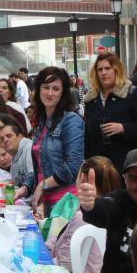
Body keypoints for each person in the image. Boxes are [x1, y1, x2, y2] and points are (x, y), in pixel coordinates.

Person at [45, 157, 120, 273]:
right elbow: (63, 237)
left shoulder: (85, 216)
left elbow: (64, 265)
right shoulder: (108, 208)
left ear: (84, 178)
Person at [83, 53, 137, 170]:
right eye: (99, 69)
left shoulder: (132, 94)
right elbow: (88, 136)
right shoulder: (90, 100)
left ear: (116, 70)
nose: (103, 73)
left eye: (107, 68)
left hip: (130, 166)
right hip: (101, 169)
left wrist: (123, 128)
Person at [30, 66, 85, 216]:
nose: (49, 93)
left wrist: (44, 184)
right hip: (44, 203)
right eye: (46, 87)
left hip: (65, 203)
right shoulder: (41, 122)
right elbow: (41, 166)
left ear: (63, 93)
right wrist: (26, 187)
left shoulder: (71, 120)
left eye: (55, 89)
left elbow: (73, 165)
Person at [0, 118, 34, 199]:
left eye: (9, 136)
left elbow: (34, 175)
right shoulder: (14, 158)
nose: (5, 140)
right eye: (2, 139)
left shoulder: (28, 148)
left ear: (20, 137)